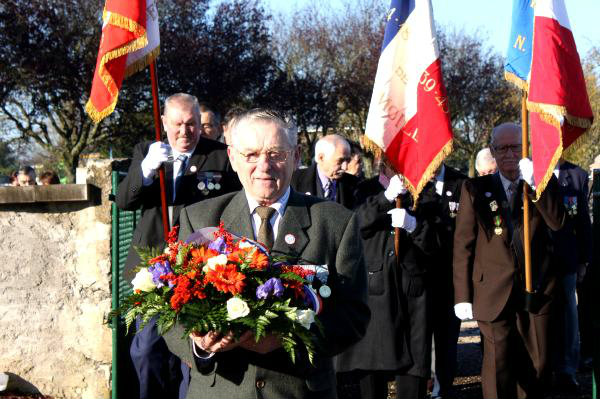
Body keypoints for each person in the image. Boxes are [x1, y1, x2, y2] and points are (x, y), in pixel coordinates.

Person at [163, 108, 370, 399]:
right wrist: (200, 344)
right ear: (233, 158)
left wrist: (288, 338)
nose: (264, 166)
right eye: (251, 155)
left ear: (296, 156)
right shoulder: (199, 220)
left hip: (300, 391)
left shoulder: (335, 223)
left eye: (276, 154)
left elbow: (353, 315)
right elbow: (171, 311)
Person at [116, 93, 240, 399]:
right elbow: (124, 200)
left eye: (191, 124)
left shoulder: (221, 157)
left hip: (201, 269)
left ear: (201, 122)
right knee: (147, 351)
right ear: (163, 123)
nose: (184, 131)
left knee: (192, 354)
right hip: (155, 270)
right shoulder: (148, 150)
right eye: (177, 124)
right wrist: (145, 171)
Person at [453, 122, 565, 399]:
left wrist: (537, 184)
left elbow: (557, 222)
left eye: (515, 147)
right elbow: (463, 245)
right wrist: (462, 296)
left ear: (525, 148)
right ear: (492, 151)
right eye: (501, 148)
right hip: (492, 290)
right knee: (498, 363)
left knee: (538, 365)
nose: (509, 154)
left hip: (536, 288)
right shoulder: (475, 189)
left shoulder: (542, 181)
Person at [336, 160, 438, 399]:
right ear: (382, 162)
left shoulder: (427, 192)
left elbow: (439, 244)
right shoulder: (362, 189)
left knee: (412, 373)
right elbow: (352, 224)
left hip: (413, 293)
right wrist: (385, 197)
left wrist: (415, 226)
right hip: (375, 294)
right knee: (371, 374)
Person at [418, 163, 467, 399]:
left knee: (447, 338)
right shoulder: (412, 181)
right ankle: (424, 382)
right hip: (419, 275)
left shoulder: (461, 183)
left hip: (451, 275)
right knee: (421, 336)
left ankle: (443, 388)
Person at [550, 159, 592, 392]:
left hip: (566, 256)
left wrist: (584, 260)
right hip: (536, 259)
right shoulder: (528, 169)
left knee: (569, 313)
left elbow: (582, 220)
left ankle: (567, 369)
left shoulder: (576, 175)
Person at [291, 134, 359, 209]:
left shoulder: (355, 185)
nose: (345, 167)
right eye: (340, 161)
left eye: (348, 160)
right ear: (321, 158)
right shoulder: (293, 180)